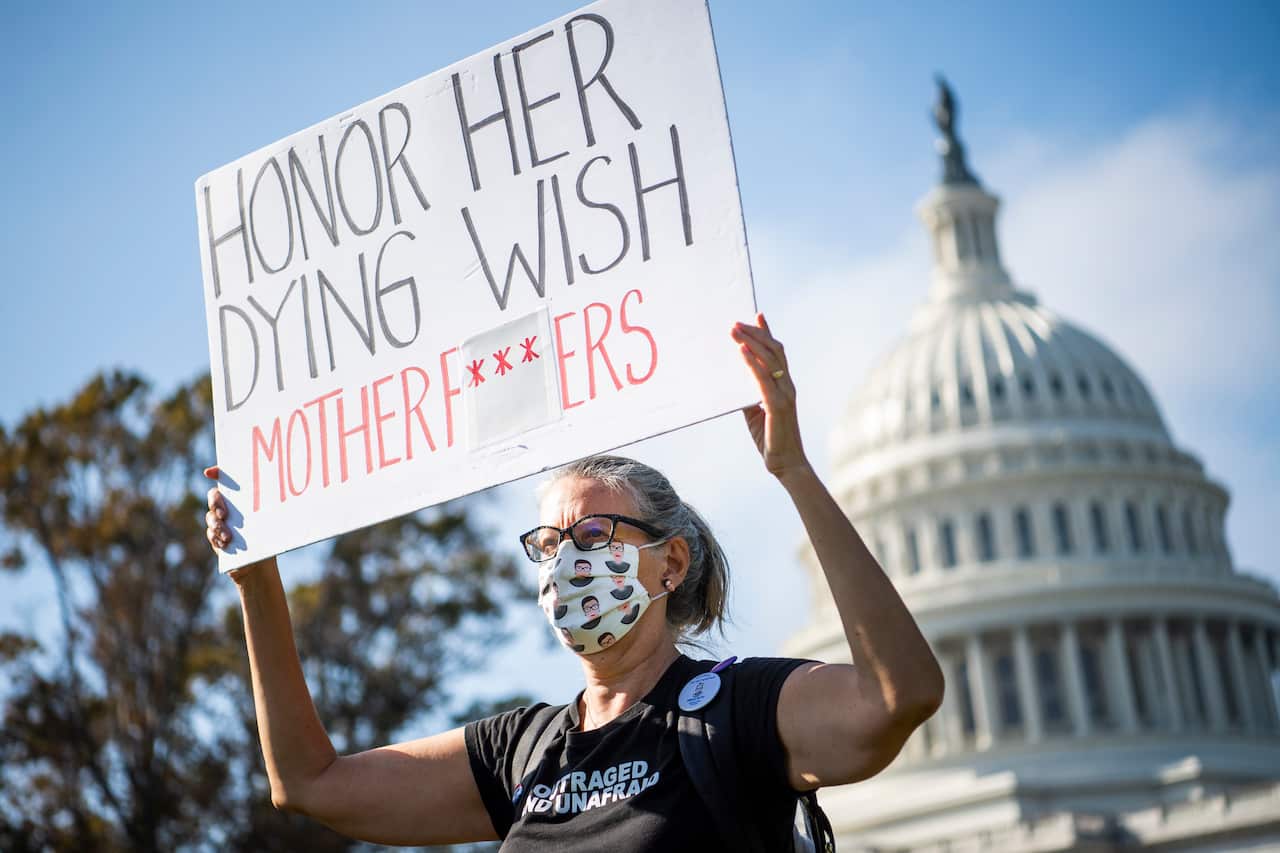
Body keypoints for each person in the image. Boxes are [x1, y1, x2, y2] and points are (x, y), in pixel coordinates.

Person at [203, 312, 944, 849]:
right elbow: (309, 782)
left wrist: (793, 471)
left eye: (594, 535)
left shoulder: (736, 709)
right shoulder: (520, 750)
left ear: (671, 562)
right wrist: (257, 579)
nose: (567, 560)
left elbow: (897, 695)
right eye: (550, 542)